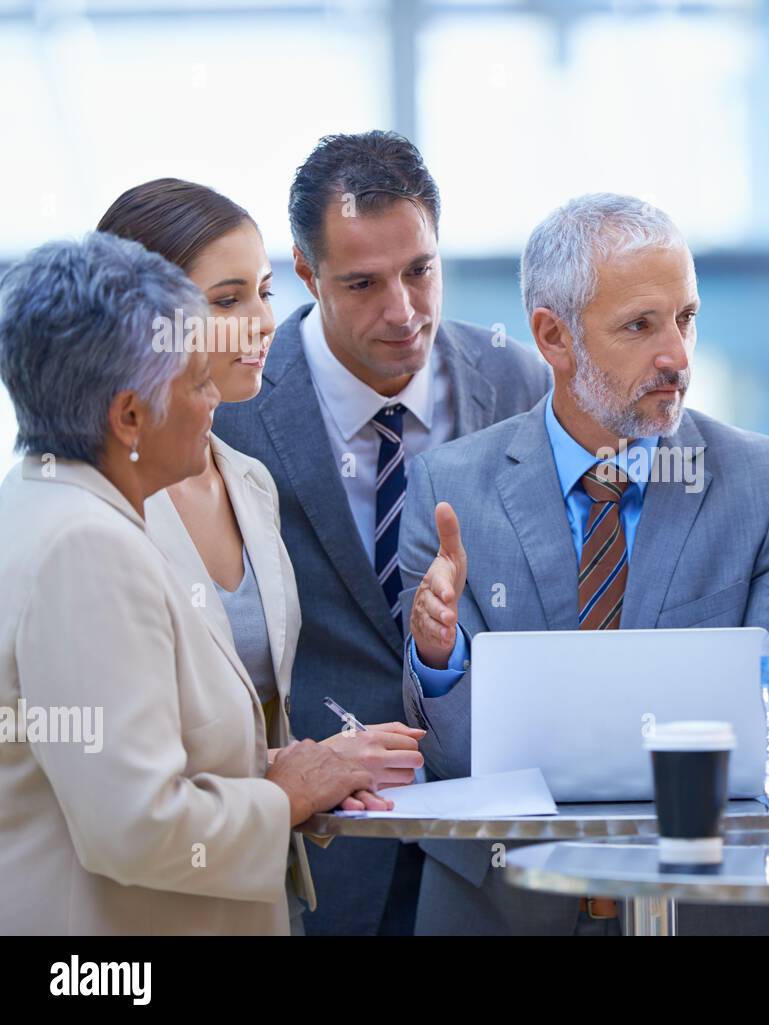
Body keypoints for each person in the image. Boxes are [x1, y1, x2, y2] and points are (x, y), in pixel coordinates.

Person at [399, 193, 769, 935]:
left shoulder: (764, 480)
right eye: (640, 326)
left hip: (714, 906)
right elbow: (459, 762)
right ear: (553, 337)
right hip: (502, 908)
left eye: (685, 317)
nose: (678, 356)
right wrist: (437, 653)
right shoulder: (451, 488)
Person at [214, 131, 551, 934]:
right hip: (323, 853)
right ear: (305, 272)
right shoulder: (235, 410)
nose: (403, 311)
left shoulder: (516, 381)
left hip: (488, 850)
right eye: (363, 283)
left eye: (419, 271)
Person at [0, 233, 378, 934]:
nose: (215, 403)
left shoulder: (37, 504)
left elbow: (104, 762)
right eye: (198, 380)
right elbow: (137, 826)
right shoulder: (88, 547)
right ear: (129, 416)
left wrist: (290, 765)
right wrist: (281, 795)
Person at [97, 178, 426, 933]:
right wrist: (289, 786)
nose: (262, 324)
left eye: (265, 292)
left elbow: (248, 730)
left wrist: (323, 766)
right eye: (225, 300)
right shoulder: (100, 509)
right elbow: (125, 789)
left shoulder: (247, 481)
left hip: (252, 900)